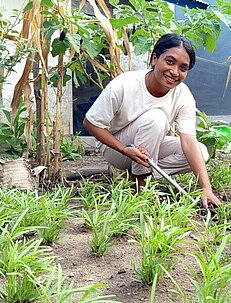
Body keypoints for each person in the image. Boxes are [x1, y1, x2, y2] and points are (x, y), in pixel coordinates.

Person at [83, 33, 221, 208]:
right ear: (155, 58)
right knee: (156, 118)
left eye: (183, 68)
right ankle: (138, 191)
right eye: (170, 62)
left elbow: (188, 141)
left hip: (147, 149)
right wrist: (125, 150)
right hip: (116, 149)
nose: (174, 72)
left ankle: (138, 175)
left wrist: (206, 188)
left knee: (201, 152)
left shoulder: (183, 95)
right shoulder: (124, 84)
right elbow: (90, 123)